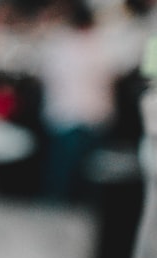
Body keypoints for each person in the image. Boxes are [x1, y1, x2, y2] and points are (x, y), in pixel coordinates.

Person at [34, 0, 118, 202]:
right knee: (87, 172)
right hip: (93, 116)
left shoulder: (57, 45)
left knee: (61, 170)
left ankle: (55, 203)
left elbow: (43, 74)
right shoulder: (102, 46)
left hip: (65, 117)